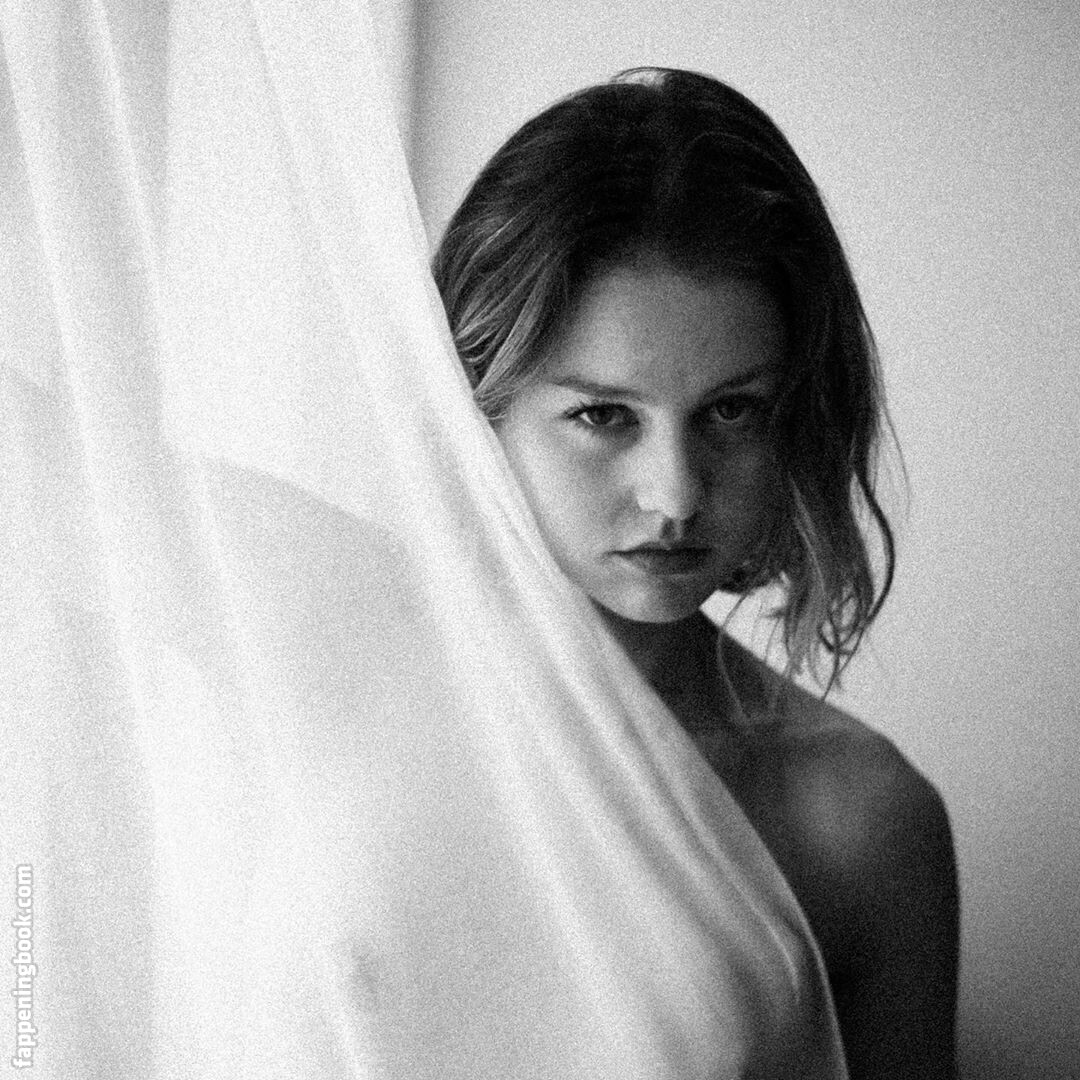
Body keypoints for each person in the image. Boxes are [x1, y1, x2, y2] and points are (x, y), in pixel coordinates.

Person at [433, 67, 960, 1079]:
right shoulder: (295, 671)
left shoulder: (860, 820)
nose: (675, 494)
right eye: (603, 415)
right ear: (474, 407)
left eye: (731, 411)